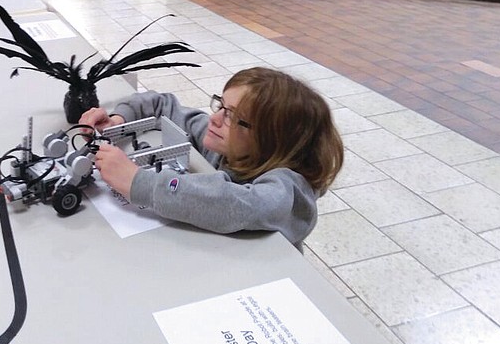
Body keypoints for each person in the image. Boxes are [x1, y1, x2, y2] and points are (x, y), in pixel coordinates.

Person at [79, 67, 344, 247]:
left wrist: (138, 182)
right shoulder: (227, 144)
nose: (215, 119)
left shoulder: (286, 189)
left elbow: (240, 204)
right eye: (222, 106)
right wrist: (119, 121)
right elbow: (164, 105)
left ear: (271, 140)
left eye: (233, 117)